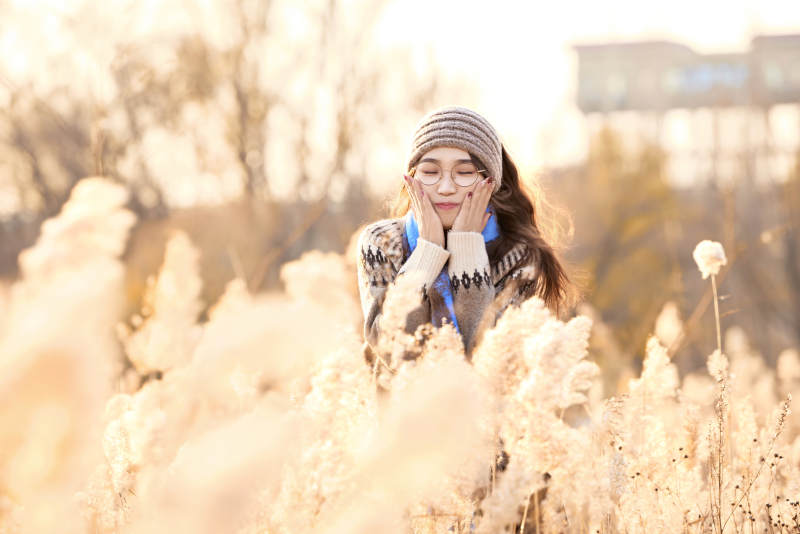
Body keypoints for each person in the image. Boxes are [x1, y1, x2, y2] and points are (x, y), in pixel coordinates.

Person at [355, 105, 576, 369]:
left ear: (490, 183)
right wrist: (427, 252)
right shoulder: (381, 242)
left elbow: (487, 360)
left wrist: (467, 250)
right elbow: (391, 350)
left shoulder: (519, 257)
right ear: (411, 180)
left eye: (465, 173)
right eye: (430, 172)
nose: (446, 188)